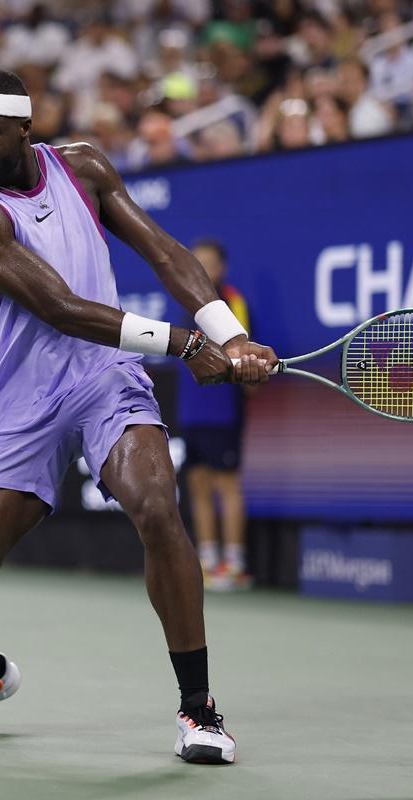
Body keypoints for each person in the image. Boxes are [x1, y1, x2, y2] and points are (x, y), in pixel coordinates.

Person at [0, 69, 276, 766]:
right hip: (22, 404)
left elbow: (162, 251)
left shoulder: (85, 168)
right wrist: (185, 343)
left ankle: (199, 710)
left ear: (25, 129)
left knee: (158, 508)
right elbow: (62, 308)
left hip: (107, 380)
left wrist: (226, 334)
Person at [176, 240, 253, 592]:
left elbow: (242, 355)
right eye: (197, 262)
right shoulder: (185, 302)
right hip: (192, 411)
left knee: (227, 485)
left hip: (223, 411)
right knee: (197, 484)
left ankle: (234, 565)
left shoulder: (233, 303)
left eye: (208, 263)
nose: (202, 268)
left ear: (221, 268)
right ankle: (207, 562)